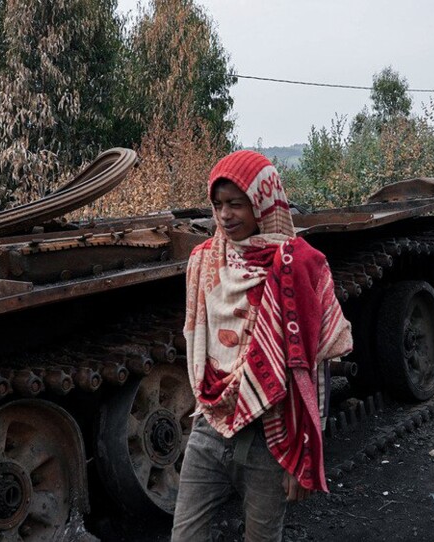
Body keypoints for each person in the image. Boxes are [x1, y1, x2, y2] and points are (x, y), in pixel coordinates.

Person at [172, 150, 353, 541]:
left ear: (263, 203)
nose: (225, 215)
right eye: (218, 204)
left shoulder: (299, 264)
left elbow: (312, 367)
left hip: (270, 437)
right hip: (210, 425)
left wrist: (305, 454)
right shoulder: (204, 260)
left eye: (236, 204)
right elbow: (197, 337)